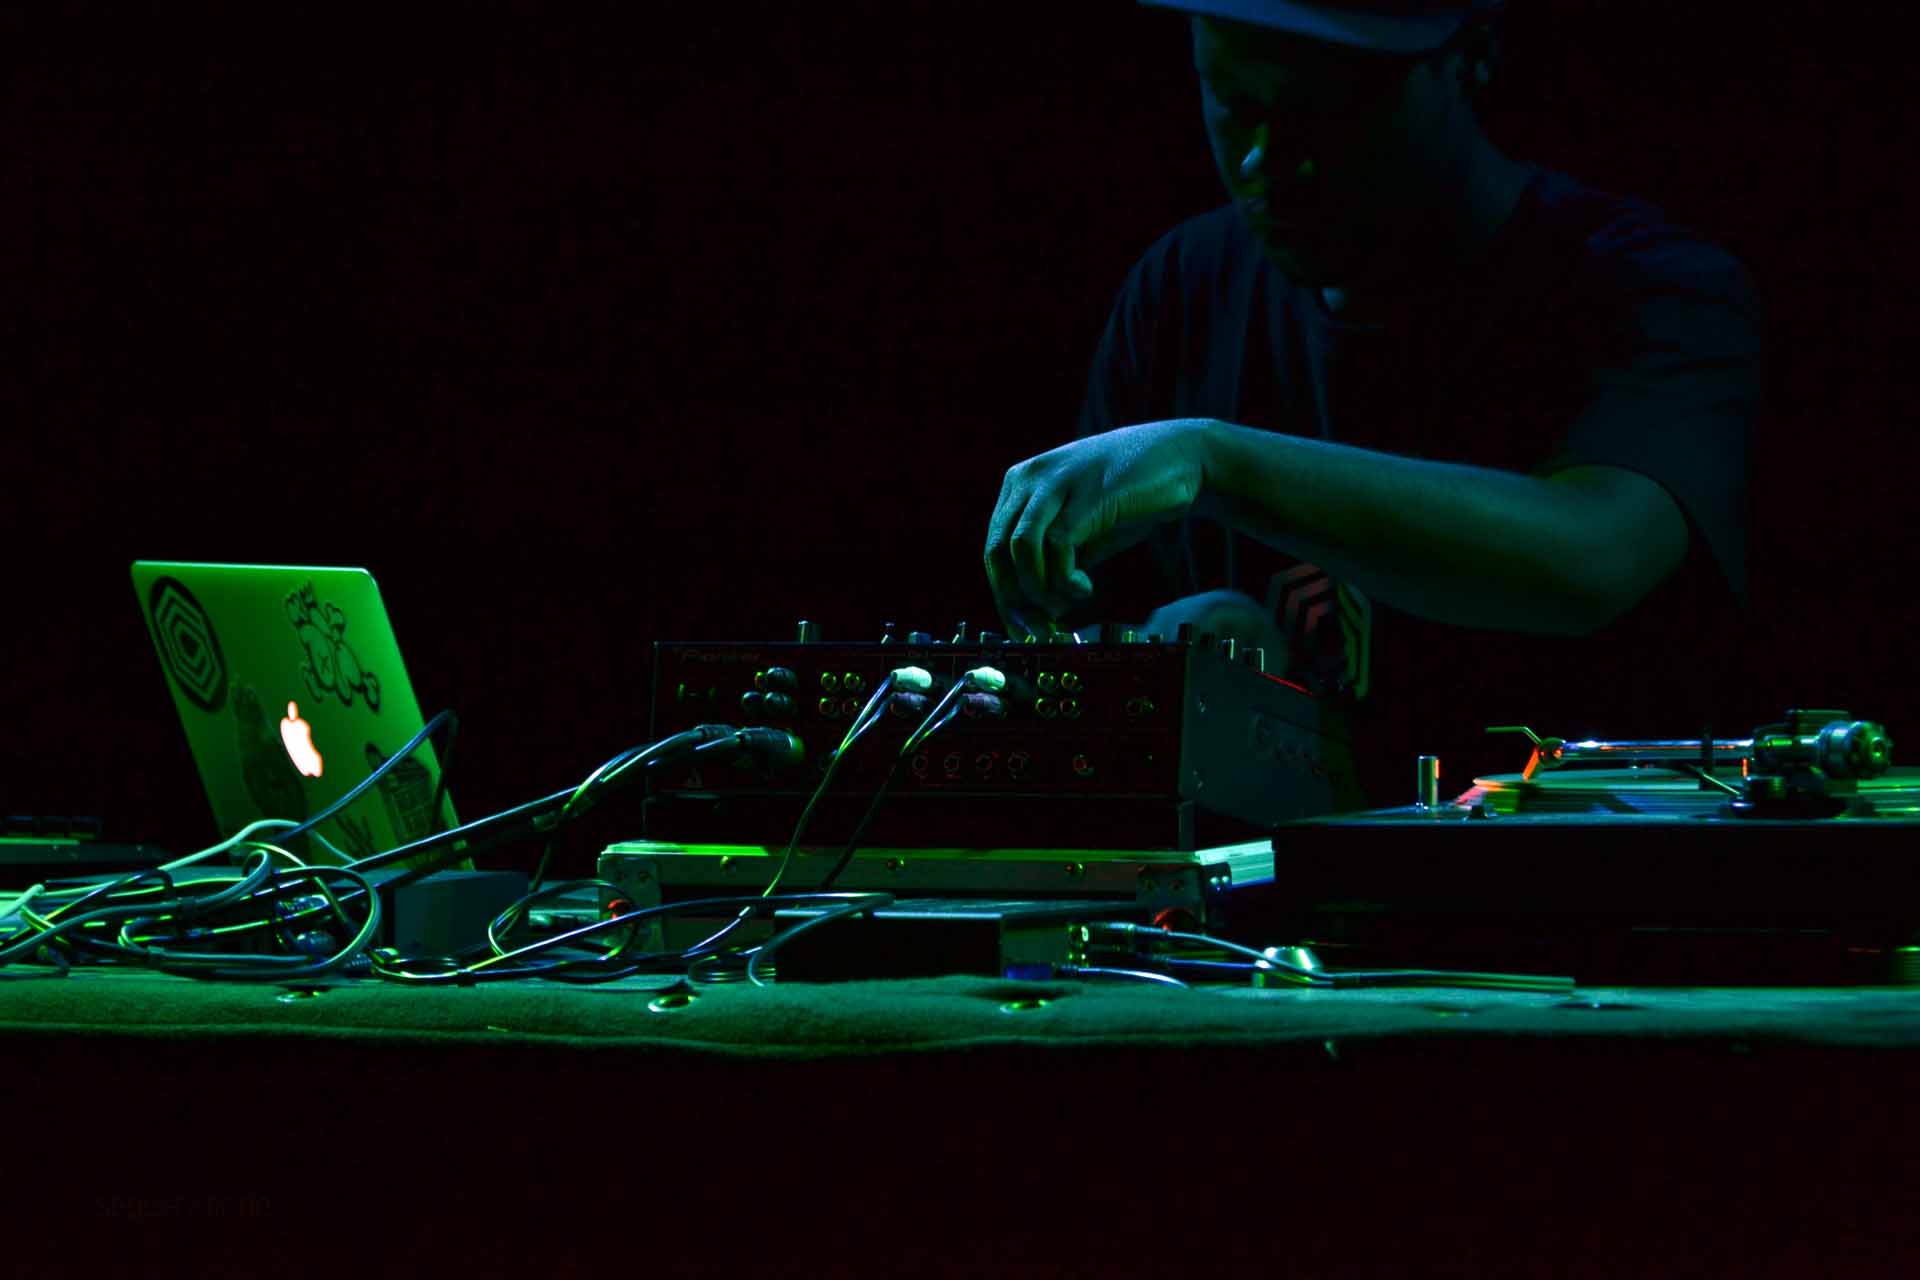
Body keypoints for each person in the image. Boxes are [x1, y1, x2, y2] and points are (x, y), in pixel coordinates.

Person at [982, 0, 1763, 808]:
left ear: (1472, 53)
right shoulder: (1180, 293)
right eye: (1236, 104)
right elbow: (1090, 650)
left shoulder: (1651, 288)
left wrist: (1210, 461)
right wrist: (1187, 661)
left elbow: (1594, 558)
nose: (1265, 158)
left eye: (1324, 111)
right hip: (1258, 895)